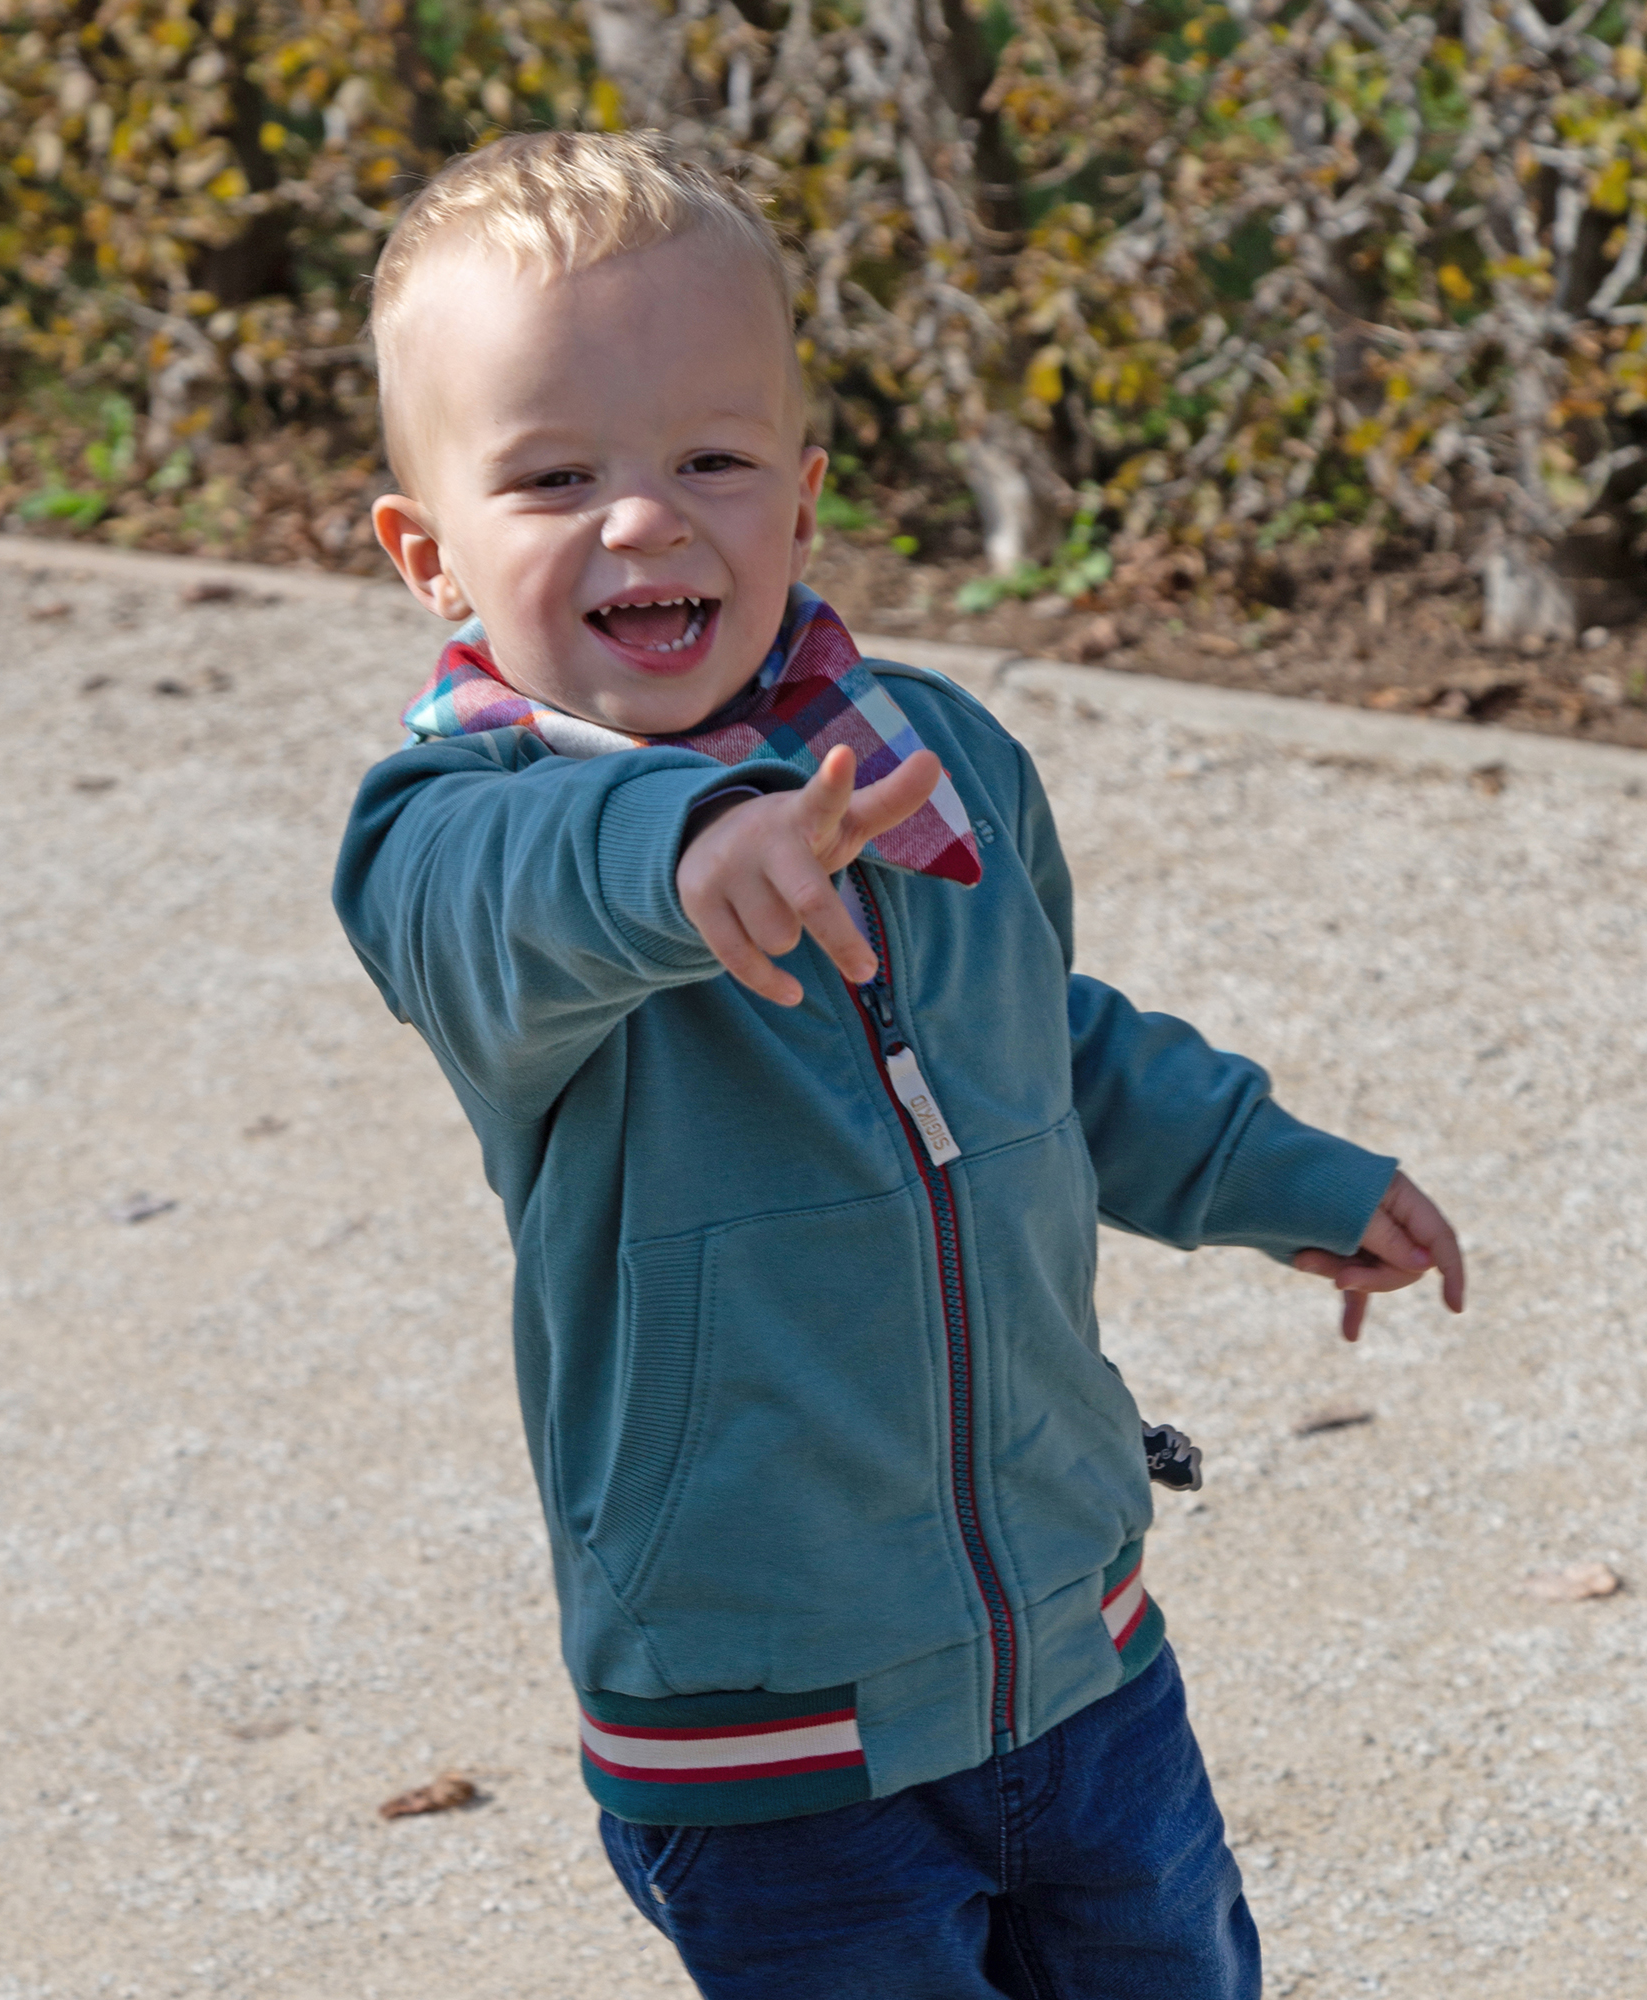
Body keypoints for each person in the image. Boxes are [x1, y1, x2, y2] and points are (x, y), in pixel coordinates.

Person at [334, 130, 1465, 2000]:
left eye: (709, 458)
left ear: (803, 494)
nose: (642, 518)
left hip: (1074, 1643)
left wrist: (1281, 1174)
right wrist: (691, 856)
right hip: (772, 1724)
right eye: (554, 476)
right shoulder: (461, 835)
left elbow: (1049, 1041)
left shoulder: (923, 757)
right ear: (427, 551)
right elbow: (501, 896)